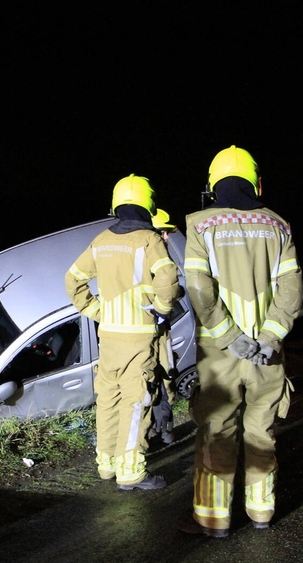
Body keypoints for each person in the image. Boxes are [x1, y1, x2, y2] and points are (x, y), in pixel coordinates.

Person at [177, 146, 302, 538]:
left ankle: (213, 519)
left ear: (213, 183)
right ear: (255, 181)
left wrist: (230, 337)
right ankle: (261, 511)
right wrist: (269, 337)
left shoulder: (200, 224)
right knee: (261, 430)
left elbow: (199, 287)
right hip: (267, 354)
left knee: (217, 429)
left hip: (221, 352)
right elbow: (291, 290)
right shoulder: (279, 226)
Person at [65, 175, 183, 491]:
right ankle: (130, 472)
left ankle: (106, 464)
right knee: (135, 402)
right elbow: (168, 278)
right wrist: (161, 309)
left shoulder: (101, 240)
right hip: (139, 338)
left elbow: (72, 280)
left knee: (108, 401)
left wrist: (96, 312)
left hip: (110, 339)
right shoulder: (149, 240)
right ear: (148, 204)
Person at [147, 208, 180, 445]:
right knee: (147, 387)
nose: (167, 237)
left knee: (166, 383)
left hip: (162, 333)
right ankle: (147, 436)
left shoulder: (163, 259)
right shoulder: (143, 261)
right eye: (163, 232)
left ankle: (165, 431)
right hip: (144, 335)